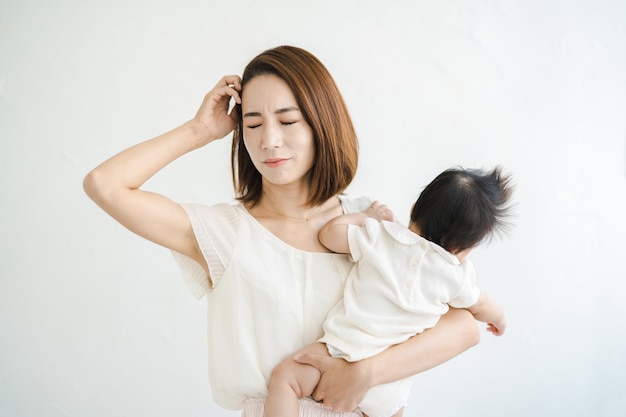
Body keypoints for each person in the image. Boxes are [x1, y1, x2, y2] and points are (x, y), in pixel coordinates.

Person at [82, 45, 479, 417]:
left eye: (287, 121)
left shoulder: (368, 224)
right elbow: (105, 184)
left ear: (321, 123)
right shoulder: (222, 233)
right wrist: (199, 130)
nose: (269, 141)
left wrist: (367, 372)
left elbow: (464, 325)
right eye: (253, 124)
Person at [265, 166, 513, 417]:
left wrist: (366, 217)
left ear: (414, 207)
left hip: (344, 349)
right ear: (463, 248)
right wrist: (500, 319)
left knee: (285, 380)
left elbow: (328, 234)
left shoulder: (381, 236)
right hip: (390, 385)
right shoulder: (456, 276)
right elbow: (480, 306)